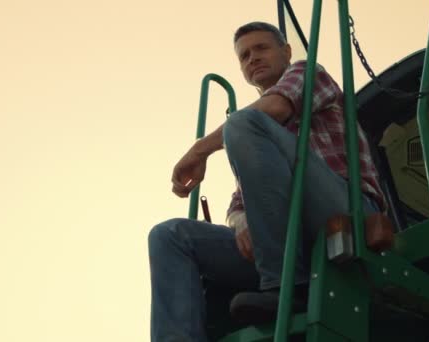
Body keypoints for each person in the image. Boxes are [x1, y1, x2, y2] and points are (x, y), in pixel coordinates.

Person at [148, 21, 386, 342]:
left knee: (243, 123)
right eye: (244, 56)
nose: (253, 59)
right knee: (170, 235)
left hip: (341, 210)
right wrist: (242, 221)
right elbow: (236, 206)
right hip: (281, 237)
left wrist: (199, 149)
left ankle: (284, 285)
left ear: (285, 52)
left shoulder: (309, 73)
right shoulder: (254, 139)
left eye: (261, 48)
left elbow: (273, 107)